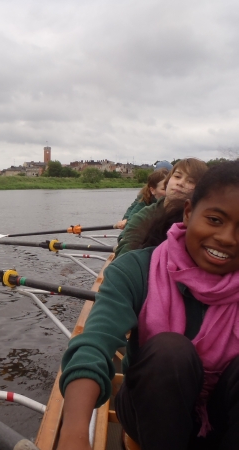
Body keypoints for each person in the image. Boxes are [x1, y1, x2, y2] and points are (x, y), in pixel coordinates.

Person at [56, 160, 239, 450]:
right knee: (171, 351)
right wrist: (74, 434)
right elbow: (94, 345)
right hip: (148, 410)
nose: (228, 239)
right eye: (215, 220)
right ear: (189, 213)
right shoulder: (136, 269)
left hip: (222, 415)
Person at [115, 158, 208, 257]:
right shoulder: (144, 216)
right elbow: (125, 254)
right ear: (167, 181)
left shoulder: (201, 220)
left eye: (190, 181)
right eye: (177, 176)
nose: (180, 183)